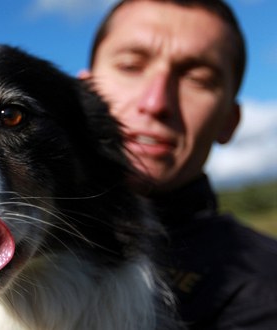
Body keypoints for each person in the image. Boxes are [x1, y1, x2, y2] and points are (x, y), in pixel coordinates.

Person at [79, 0, 277, 329]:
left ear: (229, 121)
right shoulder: (3, 237)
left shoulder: (261, 291)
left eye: (197, 78)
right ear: (80, 94)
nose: (156, 102)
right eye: (130, 66)